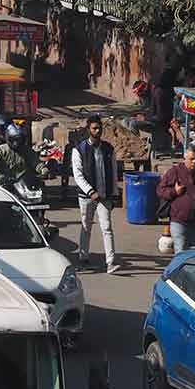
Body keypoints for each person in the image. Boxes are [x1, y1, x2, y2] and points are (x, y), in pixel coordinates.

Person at [72, 115, 119, 273]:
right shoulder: (79, 150)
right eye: (94, 128)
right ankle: (83, 258)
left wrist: (114, 194)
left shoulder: (108, 149)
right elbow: (78, 176)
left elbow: (113, 173)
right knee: (86, 227)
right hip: (86, 197)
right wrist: (90, 191)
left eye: (99, 128)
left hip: (104, 197)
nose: (97, 131)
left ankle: (110, 262)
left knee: (107, 228)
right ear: (88, 130)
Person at [160, 148, 195, 252]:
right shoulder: (175, 172)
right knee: (180, 252)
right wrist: (174, 192)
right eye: (192, 159)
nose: (194, 162)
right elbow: (160, 190)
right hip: (179, 221)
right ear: (184, 159)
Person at [0, 122, 30, 187]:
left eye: (18, 140)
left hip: (23, 183)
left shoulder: (27, 150)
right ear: (8, 138)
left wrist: (42, 169)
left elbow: (36, 162)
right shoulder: (0, 151)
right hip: (4, 184)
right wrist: (1, 177)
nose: (16, 143)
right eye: (13, 140)